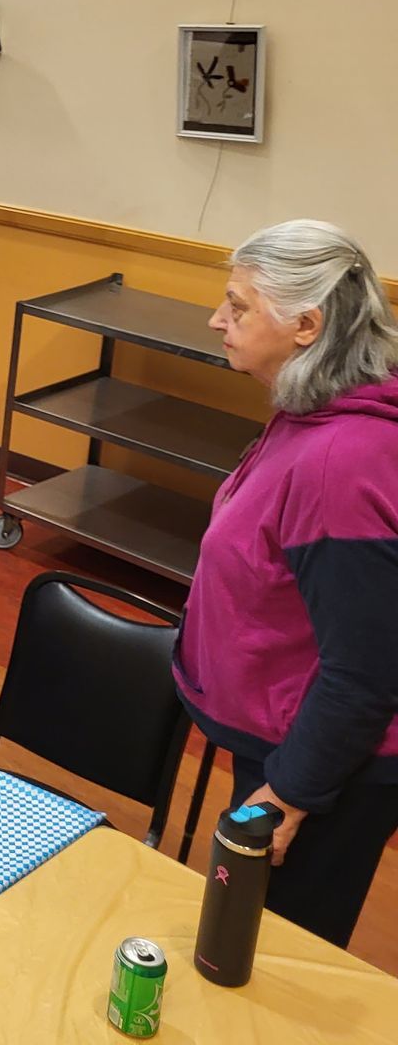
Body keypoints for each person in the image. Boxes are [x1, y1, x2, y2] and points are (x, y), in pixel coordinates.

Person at [173, 218, 398, 947]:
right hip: (281, 731)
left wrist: (293, 792)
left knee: (267, 954)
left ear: (307, 325)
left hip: (322, 761)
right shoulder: (309, 416)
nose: (218, 320)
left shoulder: (342, 462)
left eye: (239, 306)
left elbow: (365, 671)